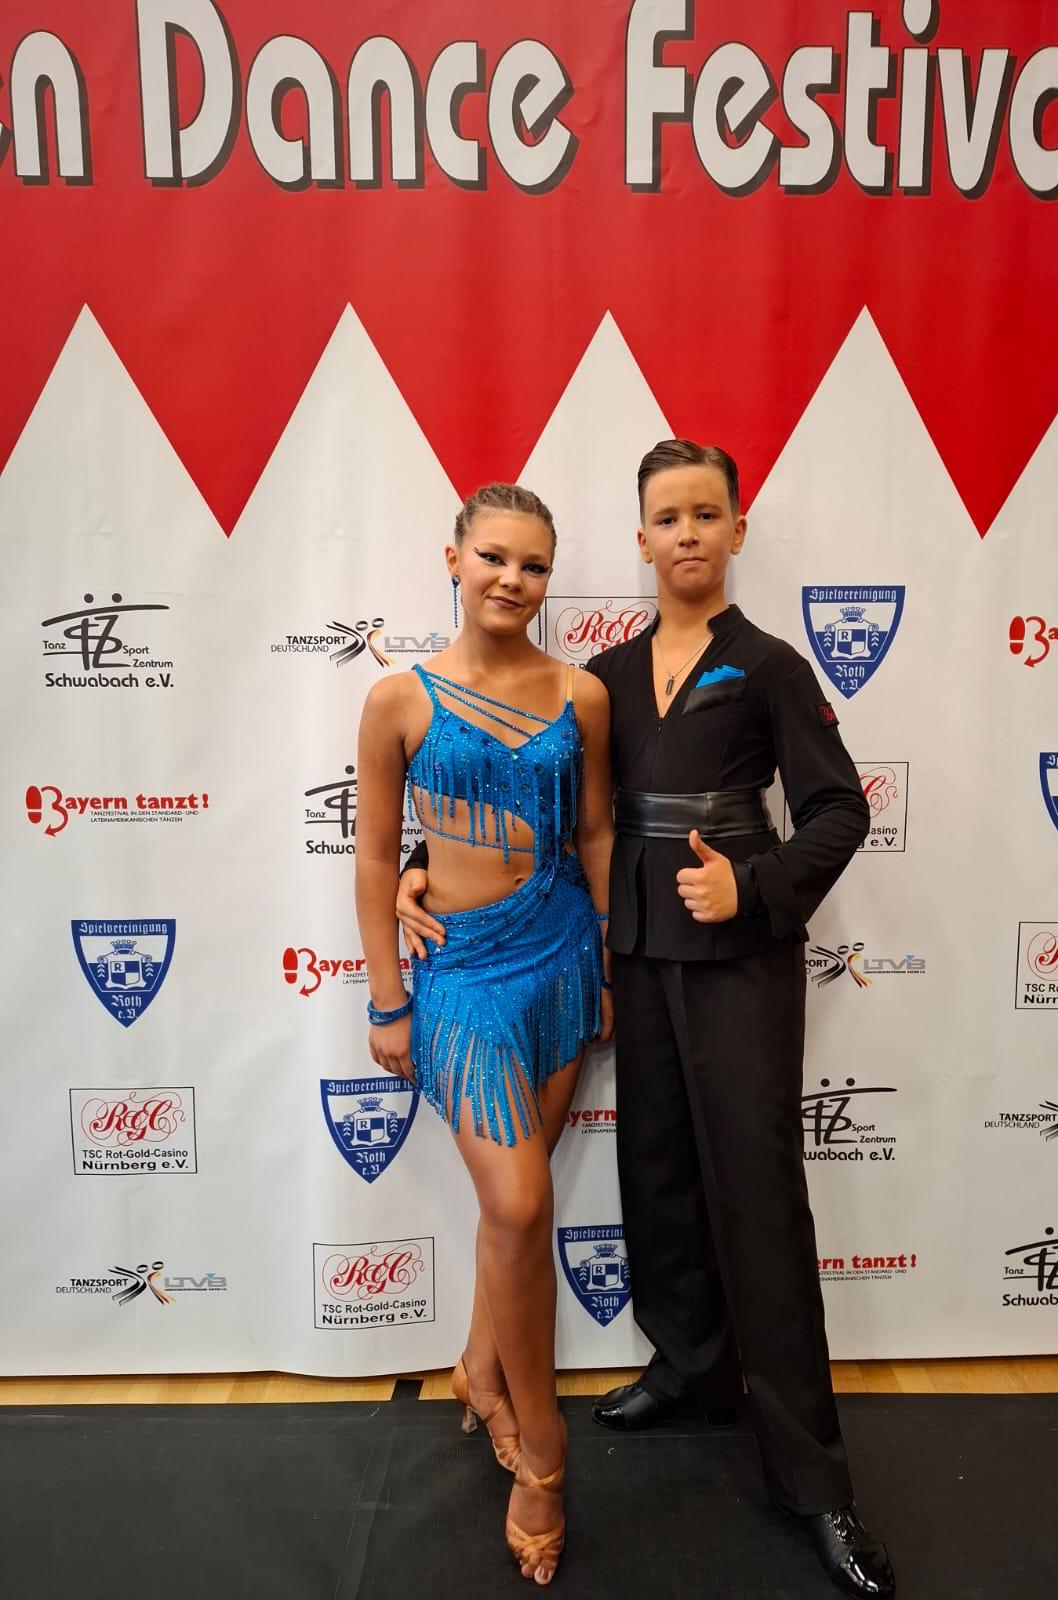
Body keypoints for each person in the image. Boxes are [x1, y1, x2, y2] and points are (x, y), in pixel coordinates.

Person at [398, 441, 895, 1598]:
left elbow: (838, 809)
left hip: (740, 956)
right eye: (666, 516)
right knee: (657, 1174)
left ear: (736, 531)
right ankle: (689, 1367)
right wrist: (423, 864)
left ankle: (815, 1482)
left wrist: (755, 886)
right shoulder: (606, 677)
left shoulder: (769, 665)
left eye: (705, 513)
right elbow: (529, 798)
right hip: (631, 954)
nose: (686, 533)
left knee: (758, 1199)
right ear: (639, 540)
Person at [355, 482, 614, 1588]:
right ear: (453, 557)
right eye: (495, 556)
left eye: (535, 564)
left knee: (521, 1204)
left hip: (561, 958)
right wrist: (386, 996)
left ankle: (477, 1366)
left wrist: (609, 961)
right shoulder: (396, 700)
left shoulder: (582, 694)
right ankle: (544, 1458)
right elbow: (378, 855)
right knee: (515, 1205)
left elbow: (593, 830)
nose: (514, 578)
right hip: (461, 977)